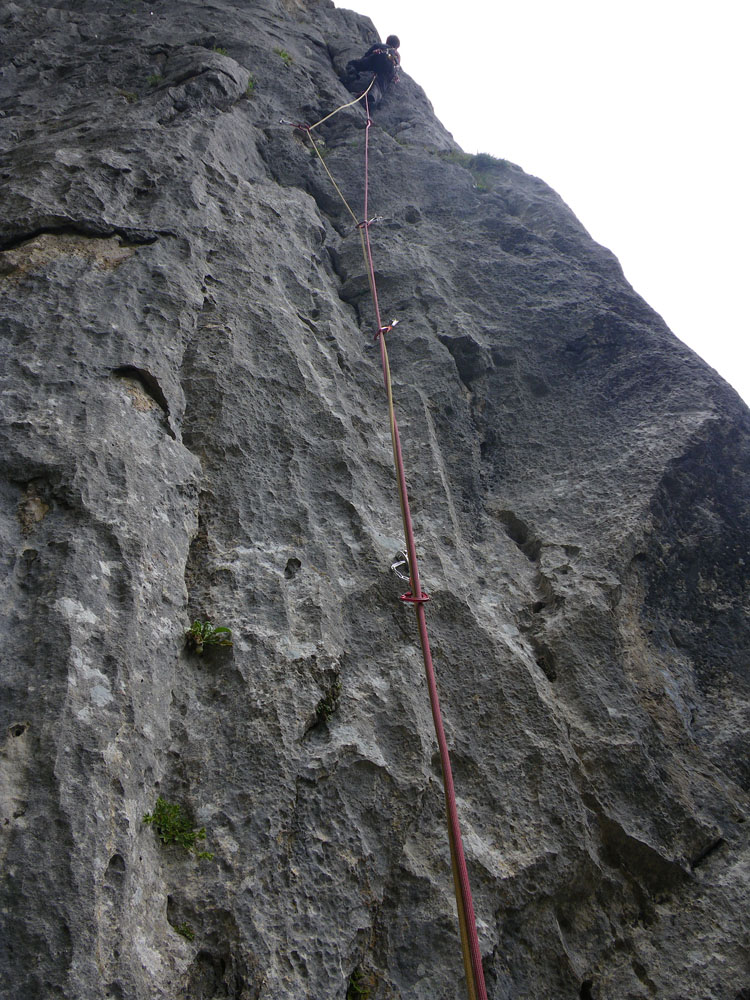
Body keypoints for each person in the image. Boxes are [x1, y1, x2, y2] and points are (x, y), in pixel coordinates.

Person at [343, 35, 400, 109]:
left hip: (378, 57)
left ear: (387, 41)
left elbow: (366, 56)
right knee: (379, 85)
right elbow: (395, 71)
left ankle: (352, 75)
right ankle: (371, 98)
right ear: (396, 46)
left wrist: (364, 63)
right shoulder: (396, 57)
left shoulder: (380, 45)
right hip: (389, 69)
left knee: (353, 64)